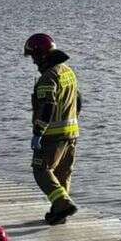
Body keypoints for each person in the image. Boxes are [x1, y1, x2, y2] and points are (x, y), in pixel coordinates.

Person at [24, 33, 82, 225]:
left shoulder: (48, 78)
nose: (33, 62)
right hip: (71, 133)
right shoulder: (68, 71)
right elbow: (78, 100)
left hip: (52, 135)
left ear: (41, 55)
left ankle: (62, 203)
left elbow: (48, 106)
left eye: (33, 57)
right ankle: (59, 212)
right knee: (62, 173)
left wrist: (38, 132)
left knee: (41, 169)